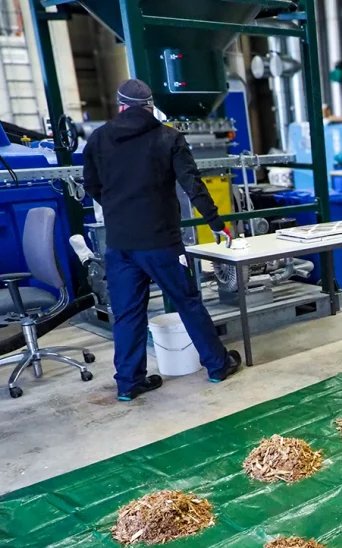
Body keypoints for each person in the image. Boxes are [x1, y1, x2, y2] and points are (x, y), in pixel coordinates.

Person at [83, 78, 241, 401]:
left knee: (127, 313)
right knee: (187, 301)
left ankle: (128, 383)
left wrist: (117, 210)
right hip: (161, 243)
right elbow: (192, 184)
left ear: (121, 106)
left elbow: (91, 185)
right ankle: (217, 364)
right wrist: (216, 222)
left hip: (120, 245)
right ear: (150, 106)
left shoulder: (98, 139)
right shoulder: (168, 137)